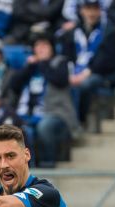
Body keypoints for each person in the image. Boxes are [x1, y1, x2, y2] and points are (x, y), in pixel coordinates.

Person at [8, 33, 78, 168]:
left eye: (45, 45)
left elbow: (60, 80)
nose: (41, 49)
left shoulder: (61, 62)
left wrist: (43, 63)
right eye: (38, 46)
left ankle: (48, 166)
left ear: (52, 48)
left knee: (44, 126)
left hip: (57, 114)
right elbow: (13, 85)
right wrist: (29, 67)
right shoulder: (30, 66)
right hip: (27, 114)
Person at [56, 0, 115, 124]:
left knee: (86, 84)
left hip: (100, 74)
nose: (91, 13)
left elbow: (108, 60)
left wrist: (87, 72)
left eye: (94, 9)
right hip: (75, 72)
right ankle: (65, 122)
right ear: (82, 11)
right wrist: (70, 74)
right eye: (88, 9)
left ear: (99, 11)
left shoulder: (109, 31)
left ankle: (80, 121)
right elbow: (66, 56)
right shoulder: (73, 32)